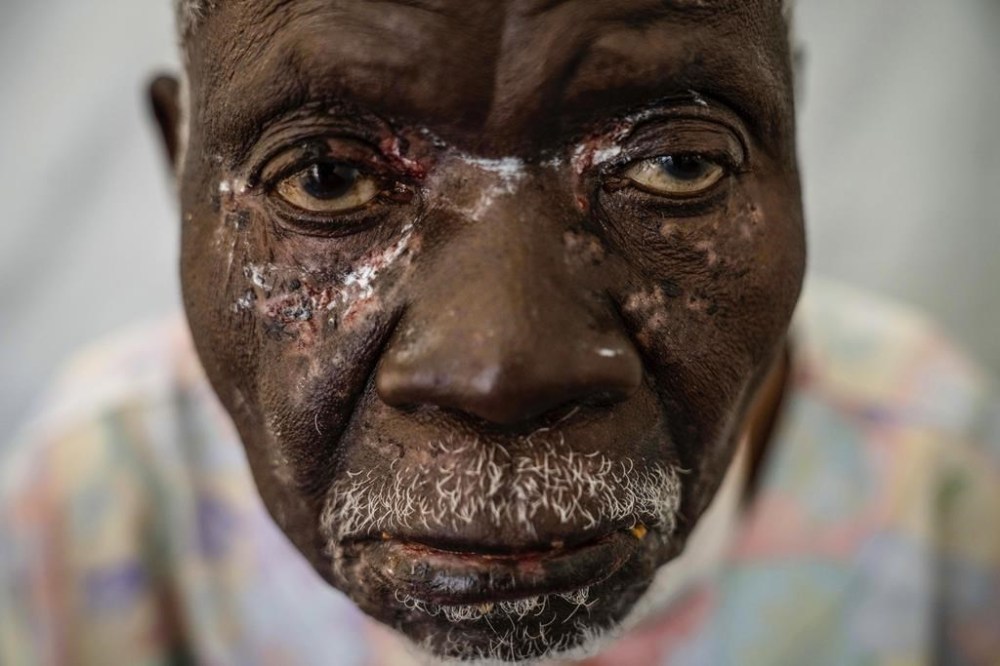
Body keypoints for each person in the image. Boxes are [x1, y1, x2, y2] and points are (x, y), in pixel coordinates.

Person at [1, 0, 997, 664]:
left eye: (673, 166)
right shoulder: (104, 493)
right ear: (183, 170)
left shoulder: (930, 471)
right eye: (326, 177)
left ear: (789, 141)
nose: (500, 366)